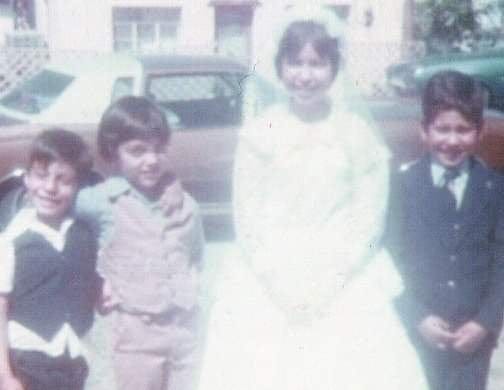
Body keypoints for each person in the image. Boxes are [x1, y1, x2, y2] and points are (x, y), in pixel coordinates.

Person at [197, 5, 428, 390]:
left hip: (344, 275)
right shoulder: (261, 131)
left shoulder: (356, 133)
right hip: (269, 275)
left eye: (317, 64)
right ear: (280, 67)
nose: (305, 75)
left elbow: (370, 214)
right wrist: (279, 282)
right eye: (296, 63)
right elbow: (247, 216)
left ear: (334, 69)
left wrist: (334, 277)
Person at [76, 96, 205, 390]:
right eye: (137, 151)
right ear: (112, 152)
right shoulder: (100, 200)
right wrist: (96, 281)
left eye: (159, 150)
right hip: (136, 333)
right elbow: (59, 221)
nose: (151, 160)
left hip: (186, 328)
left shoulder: (186, 204)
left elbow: (196, 256)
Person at [387, 70, 504, 390]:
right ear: (424, 131)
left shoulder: (495, 187)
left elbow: (502, 260)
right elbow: (390, 259)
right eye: (442, 129)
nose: (452, 140)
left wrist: (486, 322)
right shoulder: (401, 186)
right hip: (415, 333)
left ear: (480, 132)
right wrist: (416, 316)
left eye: (463, 130)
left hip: (473, 341)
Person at [0, 128, 100, 390]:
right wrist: (6, 376)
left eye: (64, 180)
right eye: (41, 176)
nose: (50, 188)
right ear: (27, 179)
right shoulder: (12, 239)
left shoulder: (83, 234)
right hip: (28, 360)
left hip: (73, 357)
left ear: (79, 185)